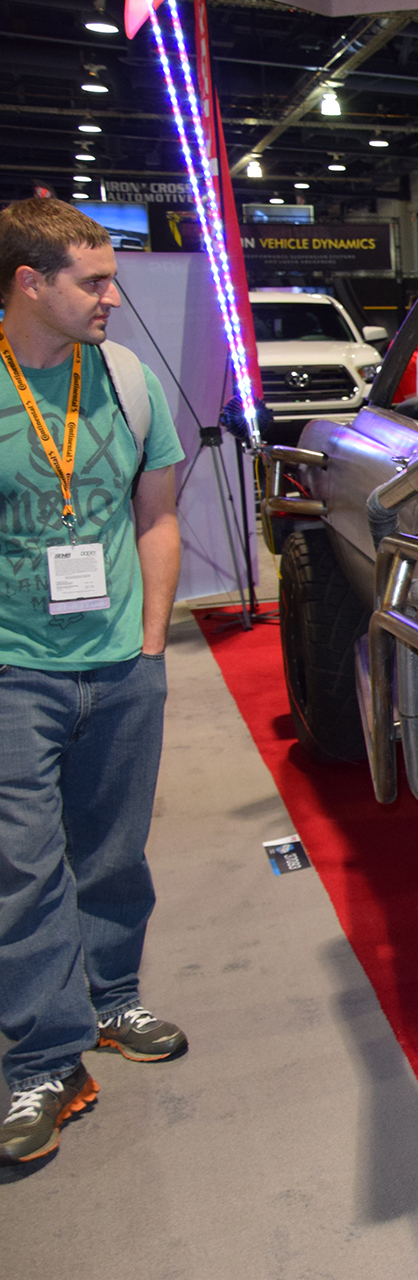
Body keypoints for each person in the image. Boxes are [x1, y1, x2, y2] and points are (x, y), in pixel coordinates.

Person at [0, 198, 187, 1166]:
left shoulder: (125, 380)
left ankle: (112, 997)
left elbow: (157, 516)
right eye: (95, 281)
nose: (115, 296)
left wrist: (150, 646)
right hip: (14, 672)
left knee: (113, 853)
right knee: (24, 868)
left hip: (121, 664)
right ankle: (44, 1058)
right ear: (30, 283)